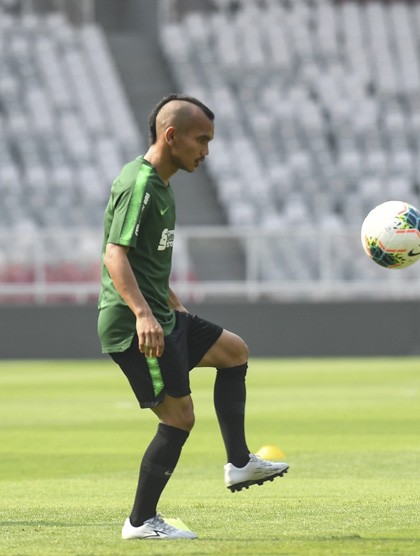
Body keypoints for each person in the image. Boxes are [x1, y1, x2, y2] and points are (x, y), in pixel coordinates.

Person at [98, 94, 289, 540]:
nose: (206, 150)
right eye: (201, 139)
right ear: (171, 137)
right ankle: (140, 523)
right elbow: (114, 254)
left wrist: (170, 299)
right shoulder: (140, 185)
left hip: (162, 314)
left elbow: (145, 260)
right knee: (179, 417)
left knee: (234, 351)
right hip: (135, 327)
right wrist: (144, 314)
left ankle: (239, 463)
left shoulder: (161, 185)